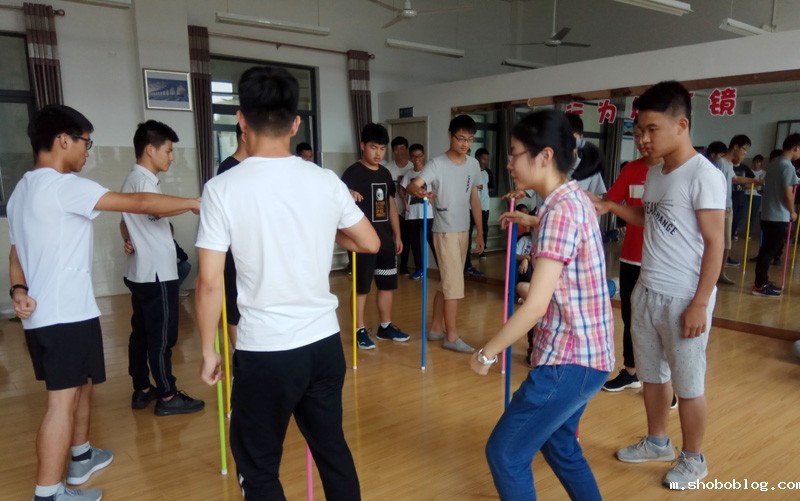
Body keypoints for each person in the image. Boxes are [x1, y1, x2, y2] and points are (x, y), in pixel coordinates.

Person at [195, 65, 379, 500]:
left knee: (258, 469)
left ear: (242, 119)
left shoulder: (221, 189)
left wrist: (208, 350)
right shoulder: (324, 180)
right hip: (323, 346)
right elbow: (369, 242)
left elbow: (209, 283)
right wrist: (324, 230)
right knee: (332, 452)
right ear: (296, 124)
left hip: (266, 353)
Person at [9, 104, 200, 501]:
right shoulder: (64, 186)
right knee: (61, 403)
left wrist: (18, 289)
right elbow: (140, 205)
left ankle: (81, 457)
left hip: (56, 314)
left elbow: (16, 250)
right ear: (63, 140)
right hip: (63, 316)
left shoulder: (22, 190)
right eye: (85, 142)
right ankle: (48, 493)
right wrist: (195, 201)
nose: (87, 151)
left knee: (82, 386)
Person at [473, 109, 614, 500]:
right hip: (590, 355)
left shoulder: (559, 212)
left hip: (569, 360)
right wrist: (533, 222)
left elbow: (535, 306)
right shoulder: (571, 200)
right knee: (559, 444)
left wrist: (487, 353)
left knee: (505, 454)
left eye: (515, 153)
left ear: (545, 156)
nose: (509, 163)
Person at [591, 81, 725, 490]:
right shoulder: (654, 174)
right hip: (647, 289)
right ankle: (657, 442)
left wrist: (700, 303)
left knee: (688, 384)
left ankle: (694, 459)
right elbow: (652, 221)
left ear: (681, 125)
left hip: (685, 297)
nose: (643, 139)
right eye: (640, 130)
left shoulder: (704, 175)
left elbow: (716, 243)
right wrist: (612, 207)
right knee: (651, 375)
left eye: (652, 129)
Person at [119, 120, 205, 417]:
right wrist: (192, 203)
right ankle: (168, 395)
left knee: (142, 333)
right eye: (168, 151)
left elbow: (125, 221)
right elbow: (153, 206)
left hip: (141, 272)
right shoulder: (143, 182)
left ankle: (143, 388)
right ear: (150, 150)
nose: (171, 157)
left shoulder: (134, 179)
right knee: (162, 336)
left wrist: (129, 238)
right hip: (157, 273)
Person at [407, 114, 485, 353]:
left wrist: (480, 232)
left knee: (447, 283)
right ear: (450, 135)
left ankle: (436, 328)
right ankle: (451, 336)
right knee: (454, 286)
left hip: (464, 230)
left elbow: (474, 199)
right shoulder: (437, 163)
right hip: (444, 232)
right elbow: (413, 185)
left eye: (469, 139)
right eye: (460, 138)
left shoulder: (473, 164)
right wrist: (420, 192)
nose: (465, 144)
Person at [602, 119, 663, 394]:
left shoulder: (672, 172)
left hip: (661, 262)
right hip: (631, 259)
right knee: (630, 317)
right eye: (637, 135)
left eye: (648, 133)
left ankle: (662, 382)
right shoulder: (631, 169)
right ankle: (631, 371)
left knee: (659, 322)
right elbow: (609, 201)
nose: (642, 141)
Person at [342, 124, 410, 349]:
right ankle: (359, 329)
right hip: (361, 242)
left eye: (382, 148)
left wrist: (397, 235)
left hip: (385, 240)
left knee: (387, 284)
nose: (378, 153)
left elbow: (391, 204)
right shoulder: (352, 173)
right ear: (363, 146)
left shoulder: (385, 173)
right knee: (361, 287)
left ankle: (385, 326)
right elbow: (338, 202)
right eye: (373, 147)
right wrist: (348, 193)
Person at [751, 133, 800, 297]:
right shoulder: (787, 167)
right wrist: (792, 211)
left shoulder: (774, 164)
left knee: (766, 250)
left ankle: (762, 281)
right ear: (796, 148)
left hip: (767, 215)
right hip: (778, 216)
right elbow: (788, 193)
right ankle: (760, 285)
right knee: (769, 253)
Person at [217, 124, 248, 348]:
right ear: (245, 135)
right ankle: (239, 354)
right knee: (234, 301)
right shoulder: (228, 168)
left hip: (253, 249)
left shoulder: (254, 167)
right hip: (233, 249)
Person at [713, 134, 753, 282]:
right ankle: (714, 273)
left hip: (727, 207)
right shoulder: (721, 163)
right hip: (720, 208)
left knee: (726, 244)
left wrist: (756, 181)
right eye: (744, 149)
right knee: (719, 243)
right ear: (735, 147)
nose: (744, 153)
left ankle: (720, 273)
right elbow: (715, 185)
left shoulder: (729, 164)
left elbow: (735, 179)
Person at [400, 143, 436, 280]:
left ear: (423, 156)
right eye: (414, 156)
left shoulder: (429, 172)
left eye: (419, 156)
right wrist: (405, 203)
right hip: (411, 214)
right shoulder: (409, 173)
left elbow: (438, 187)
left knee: (432, 241)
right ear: (411, 157)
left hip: (427, 213)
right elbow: (401, 188)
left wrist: (433, 198)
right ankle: (419, 269)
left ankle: (442, 269)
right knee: (415, 243)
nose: (417, 159)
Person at [385, 136, 414, 275]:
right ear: (393, 151)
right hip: (391, 209)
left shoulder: (412, 167)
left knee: (406, 238)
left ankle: (404, 265)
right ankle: (390, 263)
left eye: (402, 148)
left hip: (408, 210)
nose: (399, 151)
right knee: (389, 237)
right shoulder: (387, 168)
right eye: (396, 149)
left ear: (406, 149)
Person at [565, 113, 607, 196]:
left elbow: (598, 200)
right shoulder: (545, 165)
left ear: (581, 138)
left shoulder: (589, 168)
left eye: (573, 139)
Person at [464, 148, 491, 273]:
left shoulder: (487, 173)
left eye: (487, 159)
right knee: (468, 233)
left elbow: (488, 188)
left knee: (483, 229)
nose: (485, 161)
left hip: (484, 206)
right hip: (470, 208)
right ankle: (467, 261)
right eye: (483, 158)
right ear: (477, 158)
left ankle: (482, 251)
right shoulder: (469, 171)